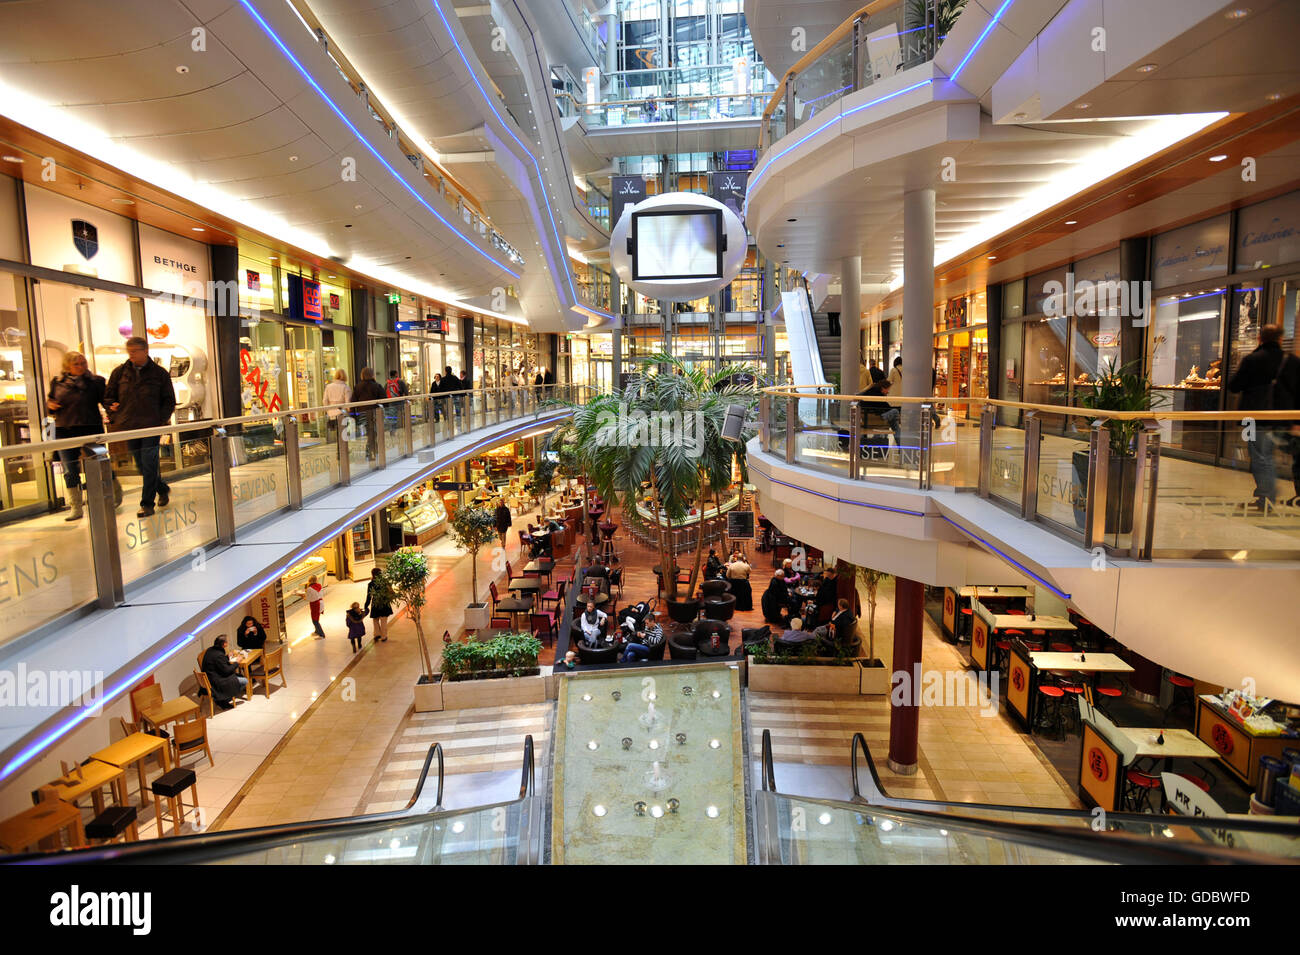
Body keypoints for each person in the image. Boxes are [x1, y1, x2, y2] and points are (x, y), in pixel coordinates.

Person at [1228, 324, 1300, 508]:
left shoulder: (1252, 359)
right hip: (1284, 418)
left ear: (1260, 338)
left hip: (1253, 419)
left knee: (1260, 455)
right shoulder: (1292, 361)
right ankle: (1267, 495)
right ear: (1280, 339)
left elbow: (1234, 386)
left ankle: (1266, 497)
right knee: (1268, 455)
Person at [105, 336, 176, 518]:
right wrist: (114, 412)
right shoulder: (120, 373)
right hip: (130, 425)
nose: (132, 355)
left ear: (145, 351)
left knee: (150, 462)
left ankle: (147, 504)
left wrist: (160, 420)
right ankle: (162, 488)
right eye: (129, 352)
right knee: (141, 465)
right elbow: (108, 397)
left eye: (135, 351)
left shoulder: (159, 374)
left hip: (151, 426)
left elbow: (169, 400)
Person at [46, 350, 106, 521]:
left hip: (90, 428)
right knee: (70, 470)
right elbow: (50, 405)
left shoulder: (96, 382)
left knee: (97, 465)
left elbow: (106, 400)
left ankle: (105, 497)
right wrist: (51, 405)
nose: (81, 367)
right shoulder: (57, 383)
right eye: (76, 364)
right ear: (67, 366)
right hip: (65, 430)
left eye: (83, 363)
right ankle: (76, 506)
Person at [201, 635, 247, 710]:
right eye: (227, 642)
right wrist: (237, 662)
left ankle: (226, 696)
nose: (228, 643)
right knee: (245, 681)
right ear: (224, 644)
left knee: (240, 676)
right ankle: (225, 699)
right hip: (216, 681)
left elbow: (217, 662)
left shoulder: (210, 650)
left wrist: (226, 657)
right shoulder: (219, 655)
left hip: (209, 678)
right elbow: (227, 671)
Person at [352, 367, 386, 460]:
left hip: (362, 413)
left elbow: (353, 402)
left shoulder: (357, 387)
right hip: (375, 413)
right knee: (373, 432)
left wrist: (353, 415)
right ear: (372, 375)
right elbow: (385, 401)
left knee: (370, 432)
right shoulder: (377, 386)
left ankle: (371, 450)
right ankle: (372, 451)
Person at [365, 569, 395, 642]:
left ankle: (377, 634)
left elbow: (369, 596)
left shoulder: (371, 584)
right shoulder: (385, 582)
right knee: (383, 621)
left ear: (372, 574)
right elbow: (391, 592)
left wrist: (366, 605)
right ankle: (384, 637)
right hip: (384, 603)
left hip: (375, 603)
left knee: (375, 620)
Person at [322, 368, 352, 441]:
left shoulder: (328, 387)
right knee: (344, 435)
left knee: (334, 435)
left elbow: (325, 400)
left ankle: (337, 449)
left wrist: (328, 410)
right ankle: (343, 450)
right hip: (342, 413)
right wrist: (349, 410)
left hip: (331, 413)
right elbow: (348, 401)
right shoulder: (345, 387)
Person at [299, 574, 325, 639]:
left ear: (309, 581)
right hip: (320, 603)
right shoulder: (319, 586)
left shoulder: (309, 588)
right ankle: (317, 631)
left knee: (315, 620)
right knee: (317, 618)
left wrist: (303, 596)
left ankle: (322, 634)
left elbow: (308, 598)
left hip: (315, 605)